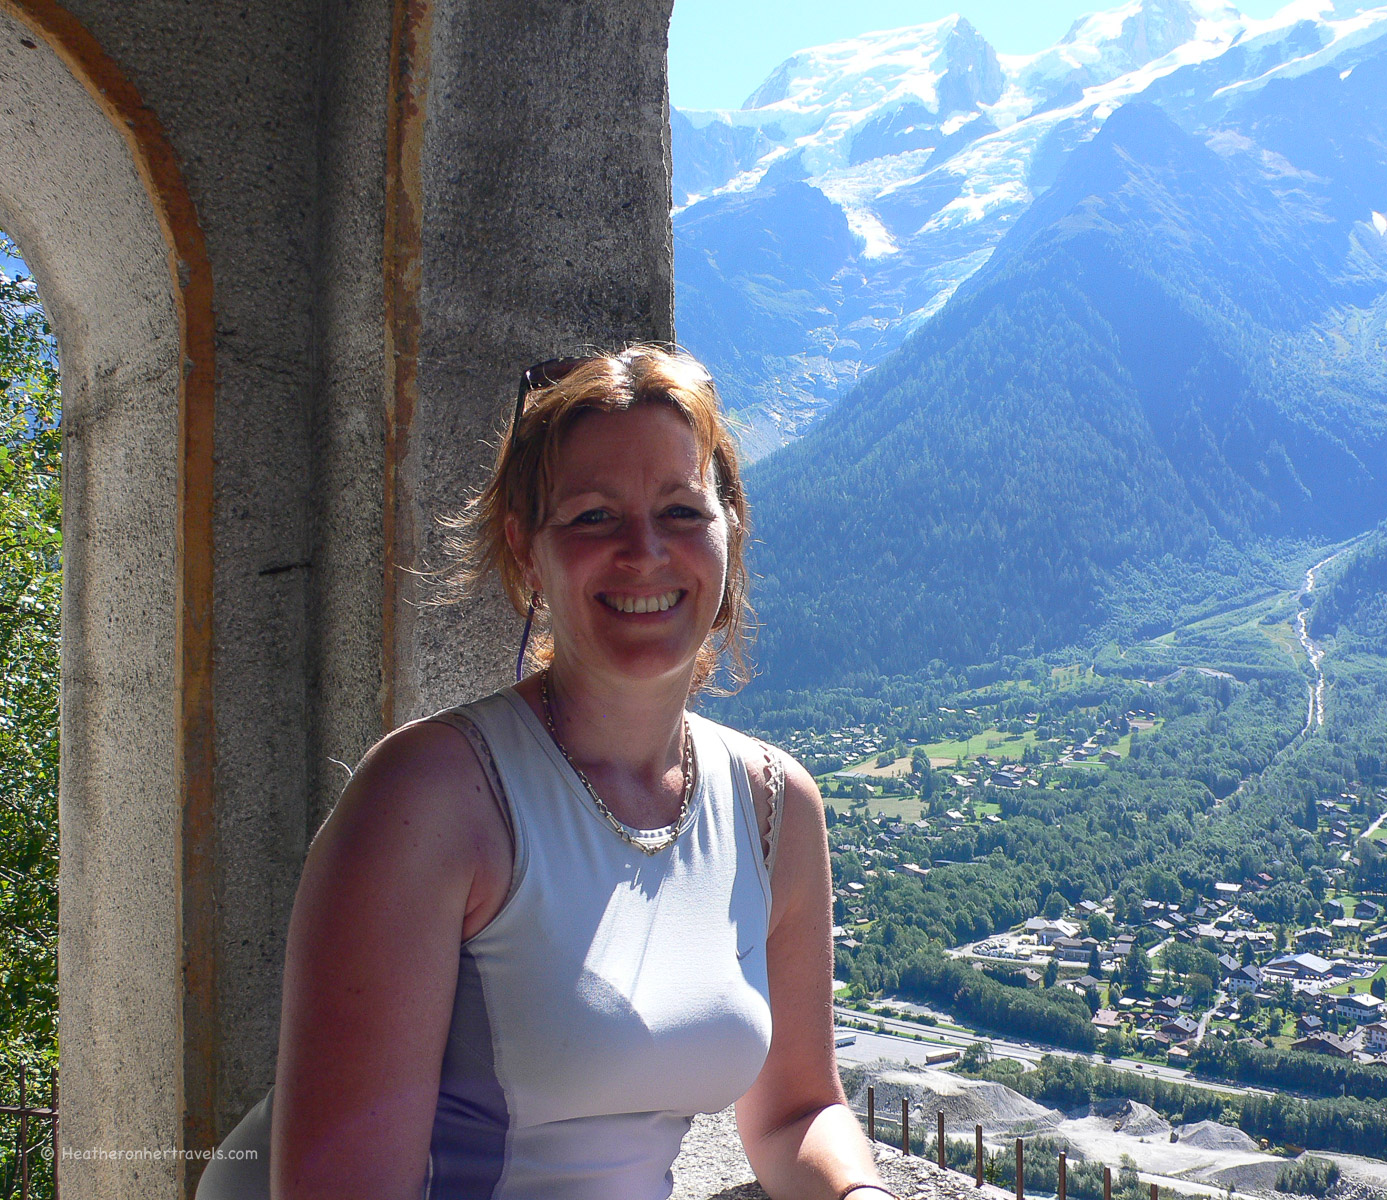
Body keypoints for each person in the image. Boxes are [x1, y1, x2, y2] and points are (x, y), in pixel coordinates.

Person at [196, 344, 900, 1200]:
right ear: (526, 550)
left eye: (682, 510)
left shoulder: (771, 807)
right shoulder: (433, 801)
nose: (644, 551)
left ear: (731, 529)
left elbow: (794, 1111)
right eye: (593, 517)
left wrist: (862, 1193)